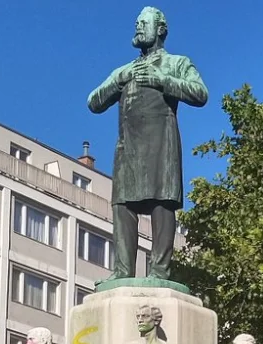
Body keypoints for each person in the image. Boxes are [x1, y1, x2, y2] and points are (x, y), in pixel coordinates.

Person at [87, 6, 208, 282]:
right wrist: (117, 82)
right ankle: (122, 271)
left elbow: (200, 93)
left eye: (144, 23)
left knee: (162, 203)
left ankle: (160, 271)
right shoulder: (125, 71)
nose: (138, 27)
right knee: (122, 206)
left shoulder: (177, 63)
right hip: (128, 149)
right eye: (137, 23)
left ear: (161, 29)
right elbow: (94, 102)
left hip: (161, 147)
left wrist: (162, 80)